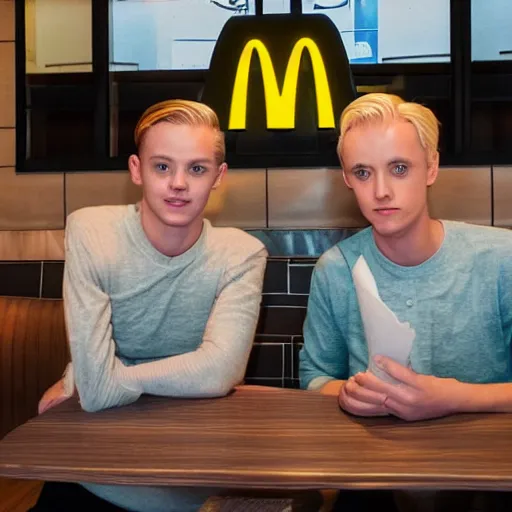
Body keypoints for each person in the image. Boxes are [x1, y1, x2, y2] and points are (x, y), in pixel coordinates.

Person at [31, 99, 268, 512]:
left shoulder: (242, 254)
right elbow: (96, 379)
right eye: (162, 166)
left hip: (190, 483)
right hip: (92, 477)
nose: (178, 183)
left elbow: (220, 371)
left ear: (218, 177)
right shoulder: (92, 230)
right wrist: (85, 380)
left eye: (197, 168)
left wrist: (96, 381)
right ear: (137, 169)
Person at [299, 93, 512, 511]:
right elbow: (314, 377)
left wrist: (452, 397)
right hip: (374, 482)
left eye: (399, 168)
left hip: (488, 479)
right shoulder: (336, 269)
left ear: (431, 167)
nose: (381, 191)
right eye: (363, 172)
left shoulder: (501, 259)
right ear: (347, 179)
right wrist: (346, 394)